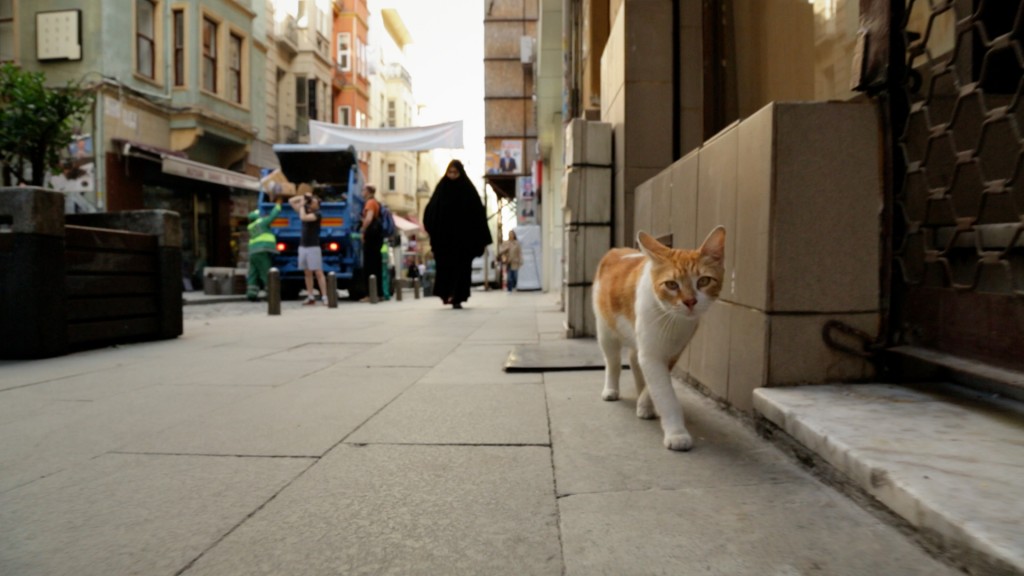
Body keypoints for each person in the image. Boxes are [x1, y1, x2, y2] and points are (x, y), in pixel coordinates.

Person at [423, 159, 492, 309]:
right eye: (450, 172)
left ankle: (458, 297)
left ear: (460, 173)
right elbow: (430, 211)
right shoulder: (441, 189)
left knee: (461, 271)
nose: (452, 175)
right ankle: (446, 294)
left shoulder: (468, 190)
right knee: (445, 269)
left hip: (463, 243)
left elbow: (477, 214)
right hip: (444, 242)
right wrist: (435, 230)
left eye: (455, 172)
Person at [289, 190, 329, 305]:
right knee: (307, 272)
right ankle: (310, 296)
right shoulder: (304, 210)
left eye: (313, 202)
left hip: (313, 246)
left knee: (318, 272)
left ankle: (324, 296)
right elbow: (291, 201)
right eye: (311, 202)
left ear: (317, 205)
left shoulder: (317, 214)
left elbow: (304, 218)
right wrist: (304, 197)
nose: (311, 203)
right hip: (303, 245)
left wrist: (301, 205)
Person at [245, 195, 283, 301]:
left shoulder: (251, 227)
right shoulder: (261, 223)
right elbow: (272, 216)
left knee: (253, 273)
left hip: (253, 252)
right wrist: (278, 206)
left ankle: (251, 294)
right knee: (266, 273)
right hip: (262, 250)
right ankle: (271, 294)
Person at [360, 184, 385, 300]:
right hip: (377, 237)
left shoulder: (370, 203)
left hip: (371, 237)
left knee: (369, 266)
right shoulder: (376, 202)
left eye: (363, 190)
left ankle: (370, 294)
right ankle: (378, 293)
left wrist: (362, 230)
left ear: (368, 192)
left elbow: (369, 218)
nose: (362, 192)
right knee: (376, 265)